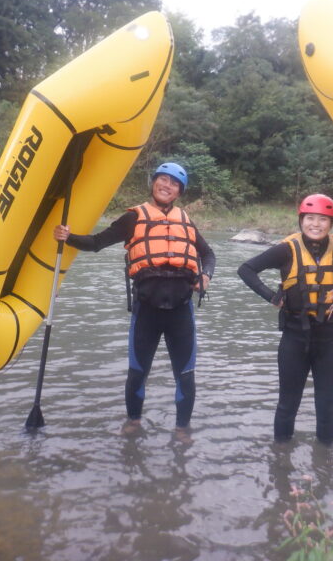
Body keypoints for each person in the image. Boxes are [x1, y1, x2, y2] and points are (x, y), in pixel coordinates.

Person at [54, 162, 215, 436]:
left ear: (179, 192)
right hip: (147, 310)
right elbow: (96, 243)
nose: (166, 185)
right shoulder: (133, 218)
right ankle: (133, 423)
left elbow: (208, 255)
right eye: (162, 180)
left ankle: (182, 431)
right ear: (153, 183)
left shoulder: (186, 221)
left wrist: (206, 276)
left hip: (181, 310)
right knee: (137, 372)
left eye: (173, 183)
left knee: (186, 375)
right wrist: (68, 238)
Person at [237, 193, 333, 444]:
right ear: (301, 220)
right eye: (309, 218)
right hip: (294, 338)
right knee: (287, 404)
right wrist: (272, 296)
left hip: (331, 340)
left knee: (327, 406)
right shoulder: (286, 250)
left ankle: (325, 466)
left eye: (322, 219)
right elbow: (246, 269)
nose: (315, 224)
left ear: (331, 223)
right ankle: (281, 461)